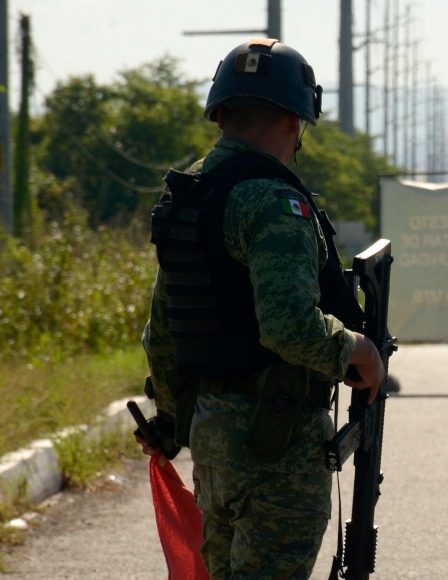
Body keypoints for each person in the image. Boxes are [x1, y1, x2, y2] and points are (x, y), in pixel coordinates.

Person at [138, 38, 384, 579]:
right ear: (297, 122)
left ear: (221, 113)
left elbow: (162, 333)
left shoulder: (188, 196)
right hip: (278, 444)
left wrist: (174, 423)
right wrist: (358, 350)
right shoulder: (274, 202)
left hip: (214, 440)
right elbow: (290, 325)